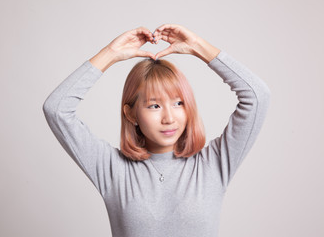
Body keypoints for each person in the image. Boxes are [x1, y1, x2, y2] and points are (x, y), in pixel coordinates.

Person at [42, 24, 271, 237]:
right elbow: (57, 109)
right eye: (154, 105)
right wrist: (111, 53)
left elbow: (257, 96)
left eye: (178, 103)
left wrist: (199, 47)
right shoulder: (113, 170)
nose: (169, 118)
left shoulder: (213, 164)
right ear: (131, 114)